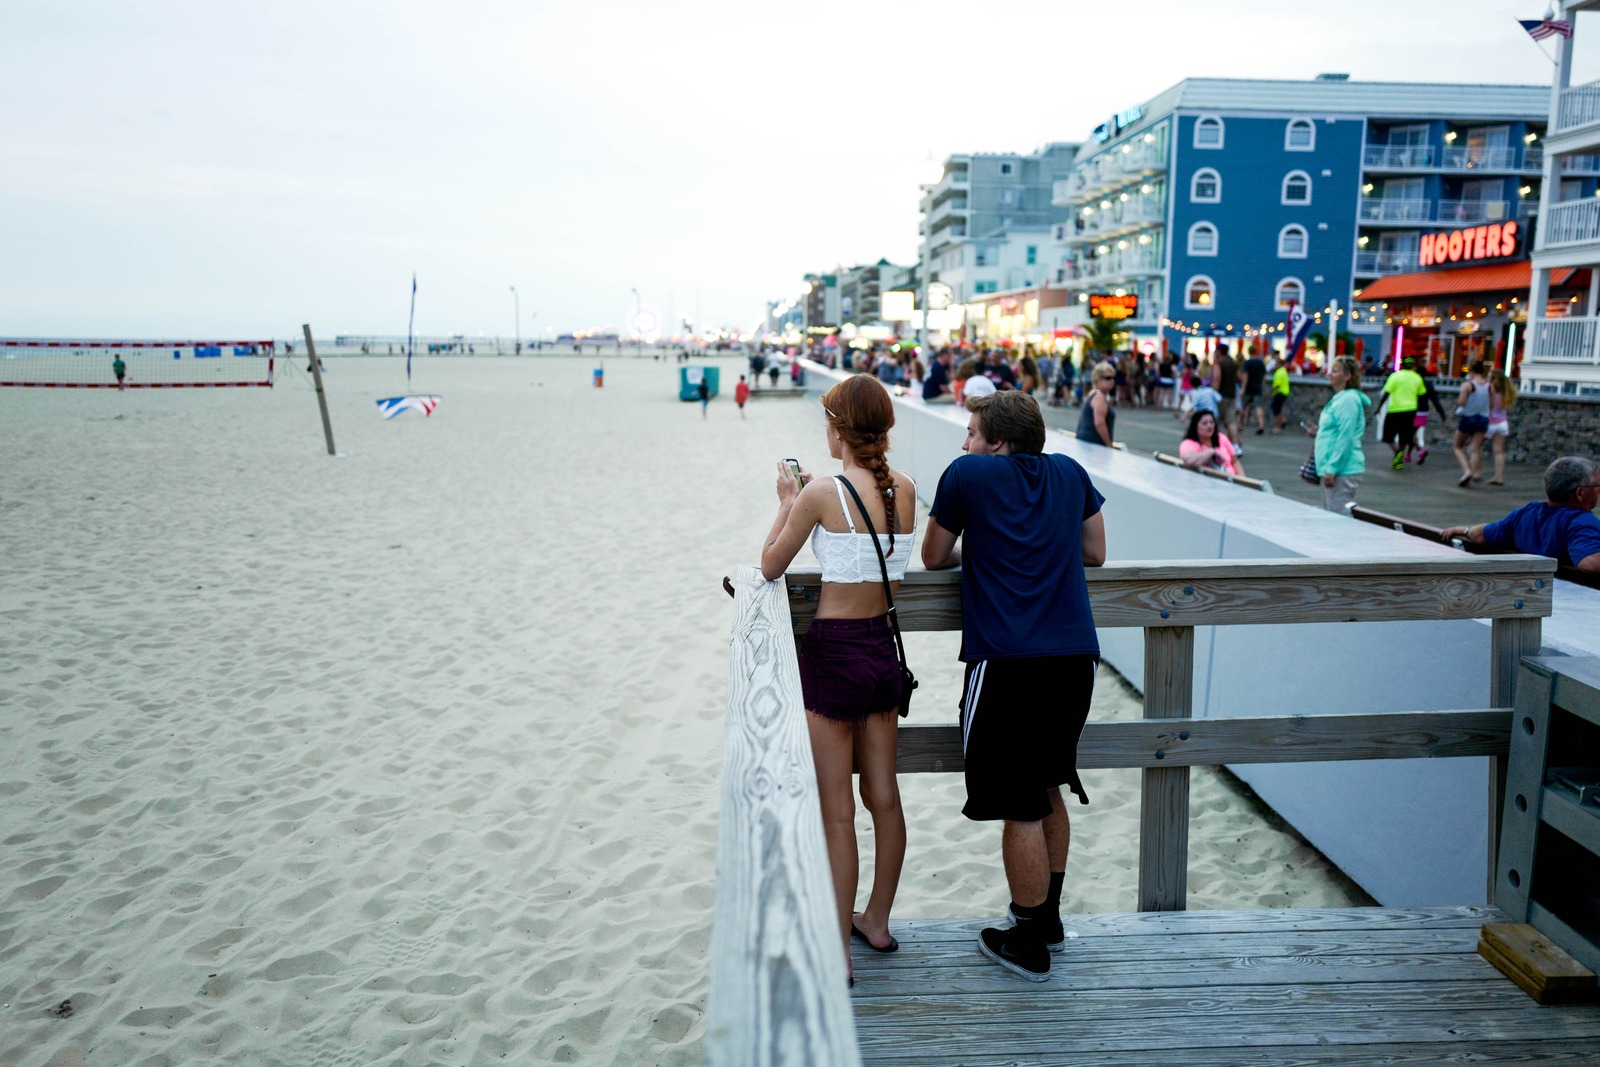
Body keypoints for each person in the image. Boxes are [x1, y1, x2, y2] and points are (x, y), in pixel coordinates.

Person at [920, 391, 1107, 982]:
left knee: (1018, 802)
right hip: (1075, 657)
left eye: (972, 432)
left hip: (1007, 660)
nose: (965, 442)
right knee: (1047, 784)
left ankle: (1028, 942)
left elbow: (931, 557)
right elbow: (1096, 554)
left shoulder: (968, 475)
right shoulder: (1071, 472)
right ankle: (1047, 918)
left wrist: (983, 541)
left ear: (996, 443)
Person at [759, 374, 918, 984]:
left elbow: (770, 565)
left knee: (837, 815)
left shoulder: (822, 492)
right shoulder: (903, 488)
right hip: (883, 651)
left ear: (838, 429)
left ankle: (836, 951)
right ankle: (876, 920)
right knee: (885, 798)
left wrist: (784, 500)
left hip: (833, 656)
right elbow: (896, 580)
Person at [1441, 457, 1600, 574]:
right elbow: (1589, 564)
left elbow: (1482, 535)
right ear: (1580, 492)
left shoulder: (1525, 514)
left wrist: (1465, 530)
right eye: (1597, 485)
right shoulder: (1581, 522)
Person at [1309, 355, 1370, 515]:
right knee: (1330, 514)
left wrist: (1332, 469)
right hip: (1331, 467)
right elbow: (1336, 429)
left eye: (1335, 371)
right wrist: (1319, 431)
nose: (1330, 374)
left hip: (1342, 470)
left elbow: (1346, 436)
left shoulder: (1348, 400)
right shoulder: (1339, 398)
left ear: (1348, 376)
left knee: (1338, 518)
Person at [1380, 357, 1427, 471]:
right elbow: (1422, 394)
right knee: (1404, 437)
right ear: (1412, 366)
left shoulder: (1395, 376)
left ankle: (1397, 455)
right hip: (1410, 411)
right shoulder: (1417, 377)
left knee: (1388, 436)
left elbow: (1386, 393)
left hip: (1395, 410)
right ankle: (1399, 458)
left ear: (1402, 365)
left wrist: (1379, 407)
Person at [1453, 360, 1491, 487]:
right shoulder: (1489, 385)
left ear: (1471, 371)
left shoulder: (1468, 385)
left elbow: (1461, 402)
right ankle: (1476, 474)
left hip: (1468, 418)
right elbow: (1492, 404)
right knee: (1475, 449)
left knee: (1458, 447)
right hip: (1483, 419)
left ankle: (1467, 471)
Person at [1179, 409, 1244, 477]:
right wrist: (1211, 452)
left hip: (1231, 480)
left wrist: (1243, 480)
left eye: (1211, 422)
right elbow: (1190, 461)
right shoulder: (1188, 443)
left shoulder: (1221, 437)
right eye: (1205, 423)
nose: (1209, 426)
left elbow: (1234, 461)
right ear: (1195, 426)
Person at [1487, 369, 1518, 486]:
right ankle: (1498, 477)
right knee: (1499, 451)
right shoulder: (1506, 393)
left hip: (1490, 423)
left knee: (1475, 447)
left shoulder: (1491, 391)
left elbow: (1489, 406)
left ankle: (1473, 472)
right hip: (1502, 423)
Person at [1077, 362, 1116, 447]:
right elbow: (1099, 423)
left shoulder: (1092, 394)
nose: (1112, 381)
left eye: (1113, 378)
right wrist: (1109, 444)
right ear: (1097, 380)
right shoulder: (1099, 397)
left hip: (1086, 443)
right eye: (1108, 378)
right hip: (1095, 445)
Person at [1210, 344, 1240, 439]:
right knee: (1231, 422)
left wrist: (1213, 394)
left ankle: (1216, 442)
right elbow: (1238, 378)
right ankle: (1235, 444)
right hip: (1232, 395)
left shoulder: (1219, 364)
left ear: (1219, 351)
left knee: (1216, 421)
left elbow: (1216, 379)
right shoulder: (1233, 362)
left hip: (1221, 396)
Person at [1240, 348, 1267, 435]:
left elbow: (1245, 375)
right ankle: (1261, 425)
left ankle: (1241, 425)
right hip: (1257, 387)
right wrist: (1262, 385)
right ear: (1256, 351)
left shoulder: (1247, 363)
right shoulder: (1260, 362)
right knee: (1258, 407)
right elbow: (1263, 376)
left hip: (1248, 387)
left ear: (1248, 352)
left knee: (1243, 407)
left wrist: (1243, 388)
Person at [1270, 355, 1292, 433]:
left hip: (1280, 393)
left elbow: (1277, 385)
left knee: (1277, 410)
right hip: (1284, 392)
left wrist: (1270, 392)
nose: (1275, 365)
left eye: (1276, 363)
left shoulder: (1279, 372)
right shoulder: (1284, 371)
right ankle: (1282, 420)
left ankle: (1278, 426)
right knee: (1277, 409)